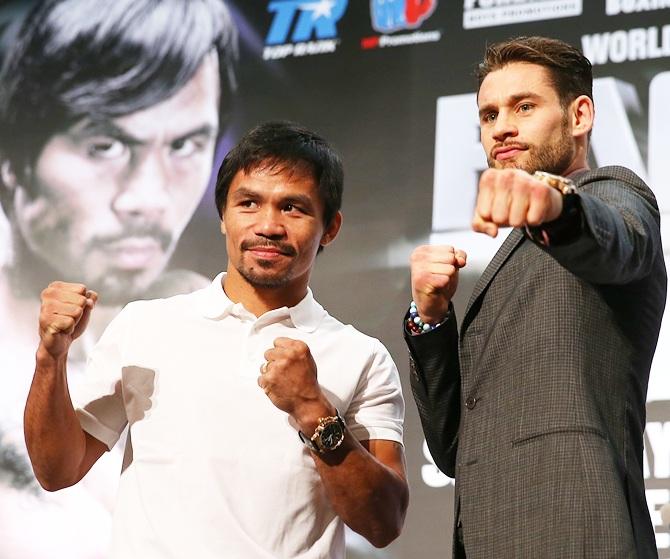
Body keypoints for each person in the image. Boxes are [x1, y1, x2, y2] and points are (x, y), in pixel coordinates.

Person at [24, 121, 409, 558]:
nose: (268, 225)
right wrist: (50, 359)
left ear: (331, 227)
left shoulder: (363, 356)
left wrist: (313, 410)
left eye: (293, 208)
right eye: (248, 203)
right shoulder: (145, 325)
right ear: (223, 217)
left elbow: (384, 522)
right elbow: (58, 469)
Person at [406, 36, 666, 558]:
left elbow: (617, 238)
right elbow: (456, 449)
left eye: (524, 106)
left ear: (580, 115)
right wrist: (431, 320)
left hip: (576, 529)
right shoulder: (510, 257)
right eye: (488, 114)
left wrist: (557, 207)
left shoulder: (611, 192)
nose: (501, 126)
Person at [0, 0, 237, 555]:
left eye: (184, 145)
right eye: (103, 145)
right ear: (14, 157)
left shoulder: (226, 329)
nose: (147, 199)